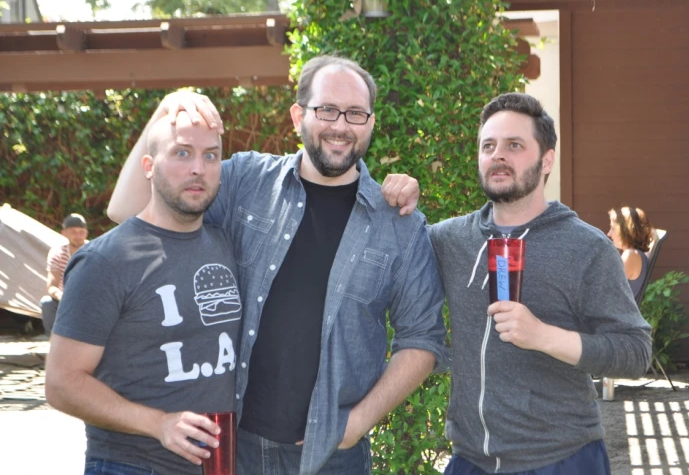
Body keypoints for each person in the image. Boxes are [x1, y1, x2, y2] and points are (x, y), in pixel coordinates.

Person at [107, 55, 447, 475]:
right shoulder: (247, 181)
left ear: (371, 122)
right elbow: (127, 209)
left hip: (334, 457)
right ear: (298, 115)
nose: (340, 125)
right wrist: (166, 110)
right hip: (236, 447)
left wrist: (355, 424)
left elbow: (422, 339)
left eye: (356, 113)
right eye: (326, 109)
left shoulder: (399, 224)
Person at [428, 92, 652, 475]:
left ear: (546, 159)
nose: (498, 155)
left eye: (514, 145)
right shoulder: (449, 240)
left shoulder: (587, 247)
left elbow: (635, 351)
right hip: (470, 460)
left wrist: (543, 336)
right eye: (488, 146)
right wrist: (396, 197)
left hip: (561, 459)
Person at [46, 111, 242, 475]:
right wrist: (158, 423)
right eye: (182, 153)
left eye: (211, 155)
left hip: (218, 465)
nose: (198, 168)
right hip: (131, 464)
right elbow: (61, 384)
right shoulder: (106, 260)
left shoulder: (226, 244)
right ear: (149, 166)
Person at [40, 213, 88, 337]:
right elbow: (51, 286)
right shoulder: (58, 253)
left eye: (81, 232)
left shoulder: (94, 250)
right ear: (64, 233)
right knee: (47, 303)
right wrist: (65, 297)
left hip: (89, 297)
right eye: (73, 232)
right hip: (64, 298)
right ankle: (53, 341)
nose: (78, 236)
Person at [607, 206, 654, 300]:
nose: (609, 234)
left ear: (626, 231)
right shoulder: (634, 254)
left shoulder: (631, 255)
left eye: (613, 228)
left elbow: (607, 289)